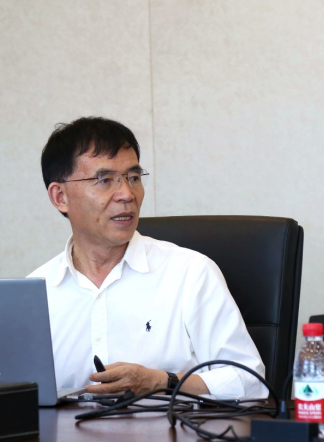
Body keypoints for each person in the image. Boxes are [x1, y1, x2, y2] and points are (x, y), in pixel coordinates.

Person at [28, 117, 267, 399]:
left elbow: (250, 383)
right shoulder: (36, 292)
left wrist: (161, 381)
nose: (127, 194)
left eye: (134, 178)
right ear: (60, 197)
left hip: (172, 427)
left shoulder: (191, 273)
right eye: (105, 180)